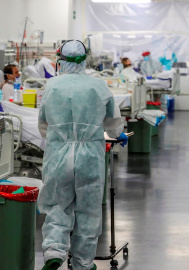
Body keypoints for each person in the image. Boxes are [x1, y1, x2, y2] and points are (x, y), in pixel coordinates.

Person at [37, 40, 128, 270]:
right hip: (90, 155)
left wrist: (61, 139)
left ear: (61, 59)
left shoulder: (52, 86)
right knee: (88, 211)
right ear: (85, 59)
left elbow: (43, 125)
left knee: (58, 205)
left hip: (59, 154)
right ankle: (83, 263)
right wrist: (119, 134)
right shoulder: (98, 87)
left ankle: (54, 251)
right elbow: (112, 123)